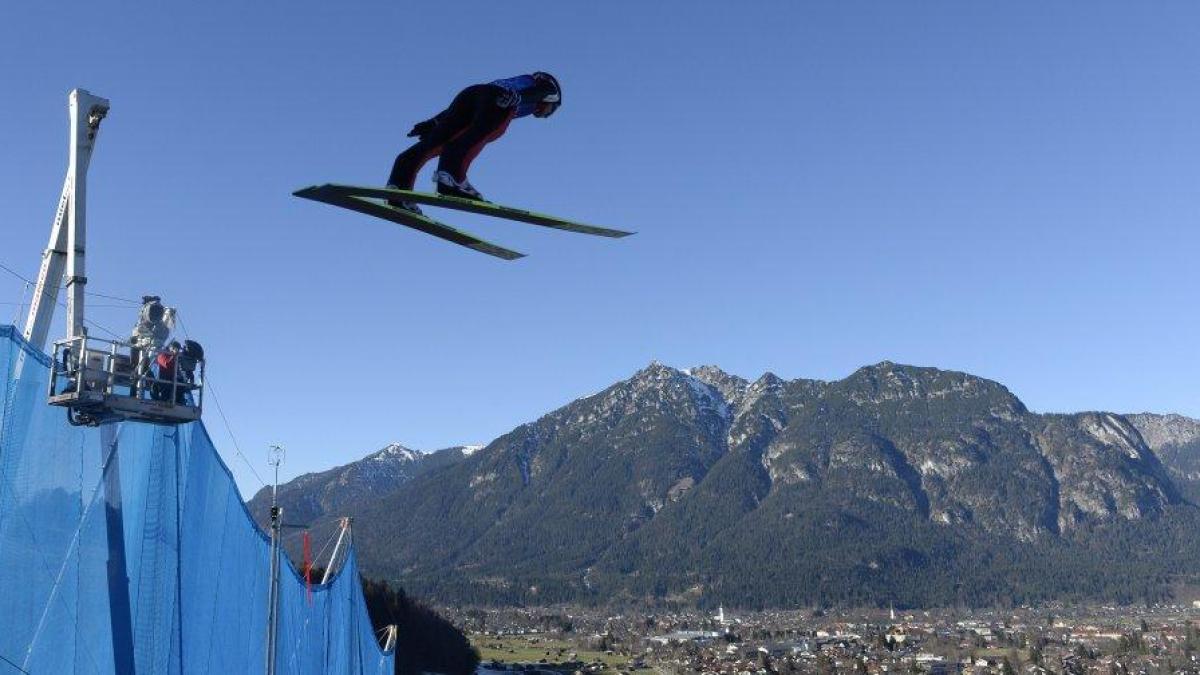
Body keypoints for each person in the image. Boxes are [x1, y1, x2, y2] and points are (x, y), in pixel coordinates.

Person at [386, 72, 562, 213]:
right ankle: (452, 179)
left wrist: (433, 123)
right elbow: (545, 91)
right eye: (549, 112)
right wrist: (519, 96)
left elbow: (465, 107)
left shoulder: (512, 81)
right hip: (499, 99)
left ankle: (399, 183)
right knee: (481, 134)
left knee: (436, 141)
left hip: (470, 94)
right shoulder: (545, 87)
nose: (542, 115)